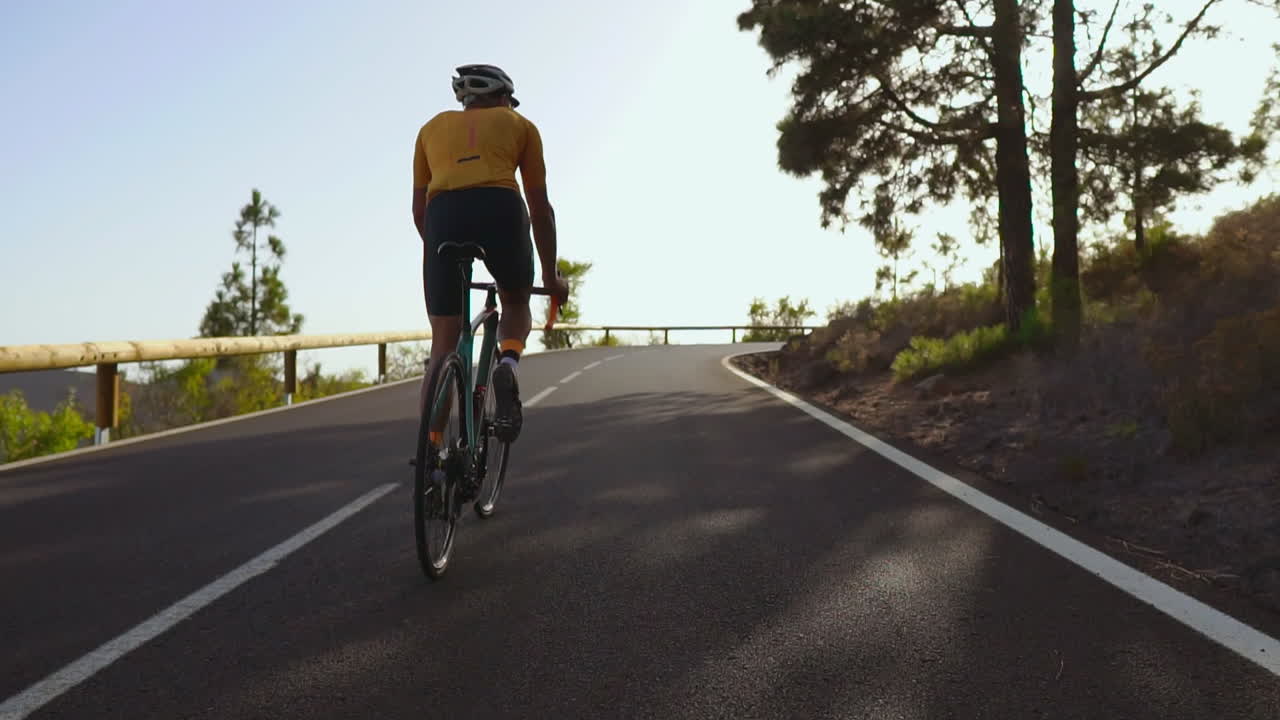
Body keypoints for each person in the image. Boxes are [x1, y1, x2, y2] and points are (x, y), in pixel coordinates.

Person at [412, 64, 568, 445]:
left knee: (442, 344)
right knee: (515, 304)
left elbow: (419, 211)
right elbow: (540, 209)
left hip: (442, 217)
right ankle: (509, 364)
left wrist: (440, 254)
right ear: (502, 99)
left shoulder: (429, 129)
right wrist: (550, 277)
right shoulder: (522, 126)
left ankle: (431, 451)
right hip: (500, 207)